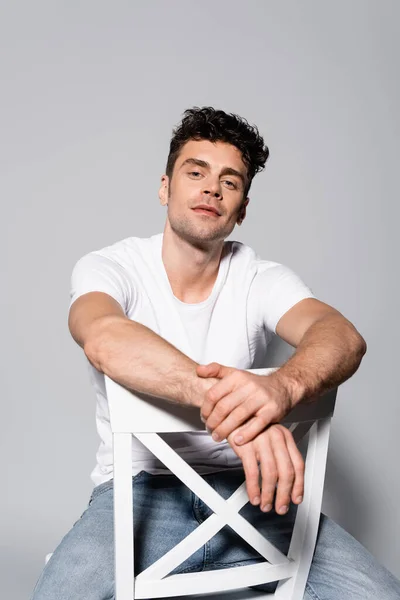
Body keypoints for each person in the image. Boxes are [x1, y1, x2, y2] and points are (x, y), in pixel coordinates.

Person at [30, 107, 400, 599]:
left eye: (230, 181)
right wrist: (236, 413)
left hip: (252, 494)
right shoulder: (111, 266)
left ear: (242, 208)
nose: (211, 189)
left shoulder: (257, 275)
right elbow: (101, 334)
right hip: (138, 495)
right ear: (165, 188)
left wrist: (279, 390)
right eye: (196, 172)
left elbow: (341, 335)